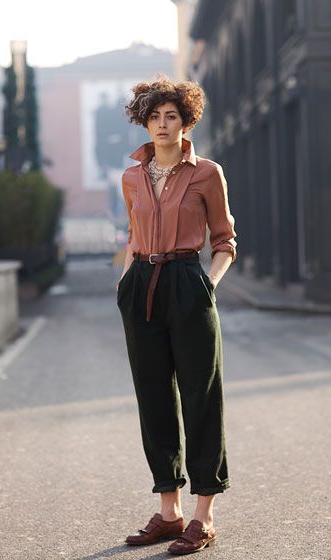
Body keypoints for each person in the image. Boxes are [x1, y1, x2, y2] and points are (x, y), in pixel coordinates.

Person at [116, 75, 237, 555]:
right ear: (144, 122)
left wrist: (208, 282)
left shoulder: (207, 172)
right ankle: (169, 511)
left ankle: (204, 515)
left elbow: (225, 240)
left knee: (201, 397)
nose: (163, 125)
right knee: (153, 398)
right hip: (141, 286)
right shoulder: (131, 178)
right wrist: (126, 284)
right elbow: (132, 234)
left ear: (186, 121)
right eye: (154, 117)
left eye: (171, 117)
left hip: (189, 282)